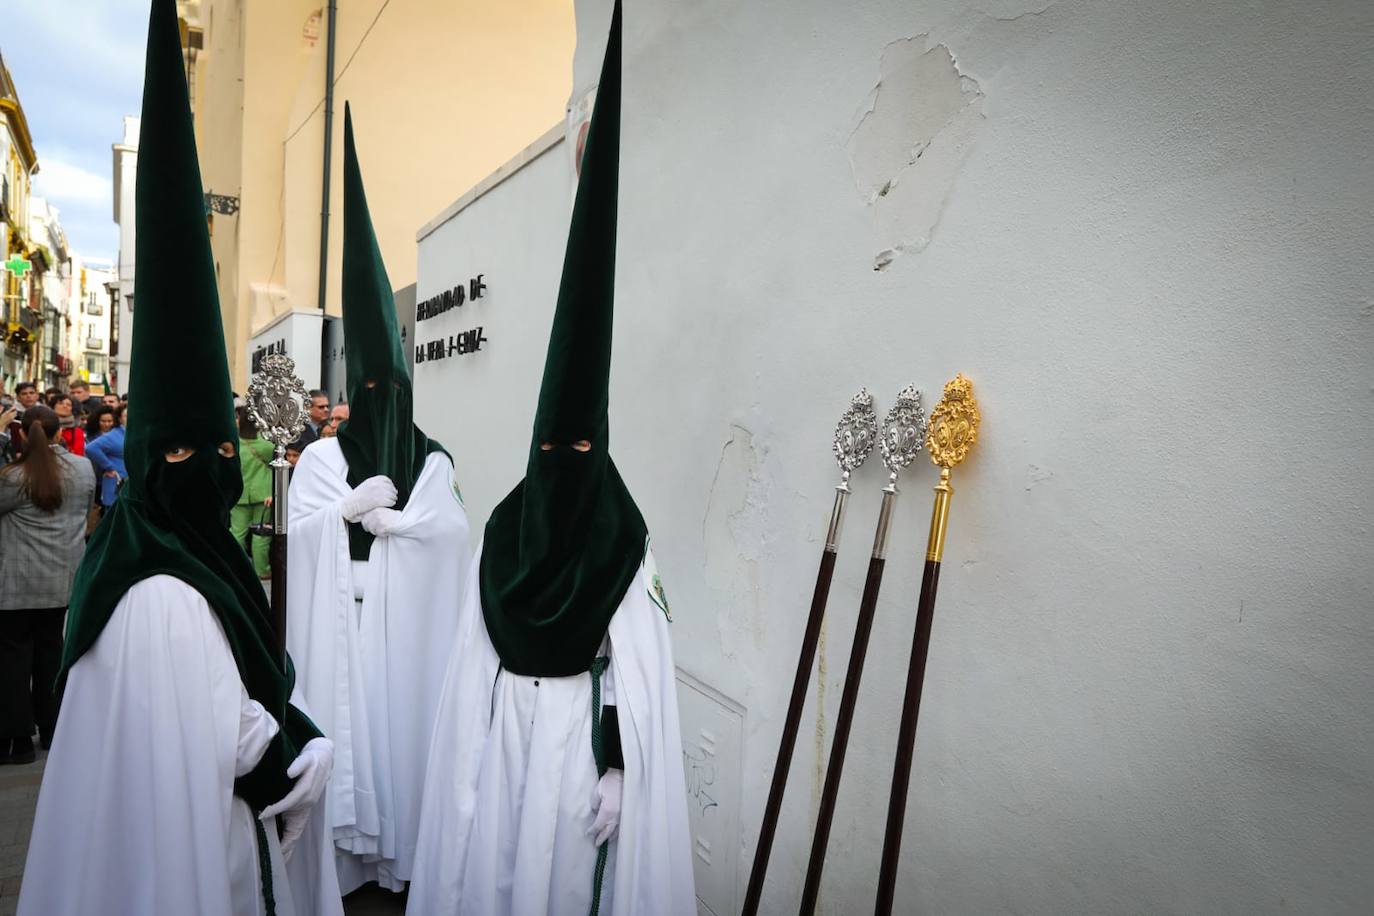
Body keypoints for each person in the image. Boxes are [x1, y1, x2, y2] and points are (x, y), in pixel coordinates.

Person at [18, 4, 343, 912]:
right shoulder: (161, 590)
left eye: (216, 446)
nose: (202, 465)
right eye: (183, 452)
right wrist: (296, 750)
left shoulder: (147, 551)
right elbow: (223, 736)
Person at [407, 8, 695, 913]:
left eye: (581, 448)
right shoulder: (504, 531)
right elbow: (466, 672)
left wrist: (619, 764)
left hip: (575, 753)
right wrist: (462, 785)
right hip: (502, 756)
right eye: (552, 449)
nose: (565, 465)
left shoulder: (622, 542)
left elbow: (635, 672)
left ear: (599, 447)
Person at [286, 105, 471, 896]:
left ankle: (397, 856)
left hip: (403, 632)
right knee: (348, 732)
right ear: (352, 393)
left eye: (391, 387)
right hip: (342, 626)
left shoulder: (431, 457)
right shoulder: (324, 457)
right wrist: (343, 514)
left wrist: (409, 529)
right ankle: (342, 861)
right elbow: (297, 536)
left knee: (398, 737)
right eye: (368, 390)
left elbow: (454, 535)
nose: (380, 399)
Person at [0, 406, 96, 764]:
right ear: (60, 433)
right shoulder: (83, 469)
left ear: (22, 434)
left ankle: (18, 739)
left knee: (12, 659)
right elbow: (87, 509)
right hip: (61, 580)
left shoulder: (13, 476)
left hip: (15, 585)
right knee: (50, 653)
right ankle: (53, 729)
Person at [231, 406, 274, 579]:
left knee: (237, 534)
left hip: (239, 494)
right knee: (261, 534)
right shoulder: (267, 446)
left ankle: (234, 569)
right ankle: (262, 570)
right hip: (263, 494)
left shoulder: (233, 444)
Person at [84, 406, 126, 515]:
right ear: (120, 419)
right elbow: (90, 448)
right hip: (116, 482)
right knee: (113, 517)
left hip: (127, 484)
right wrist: (109, 466)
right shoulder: (114, 435)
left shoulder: (130, 433)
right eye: (126, 416)